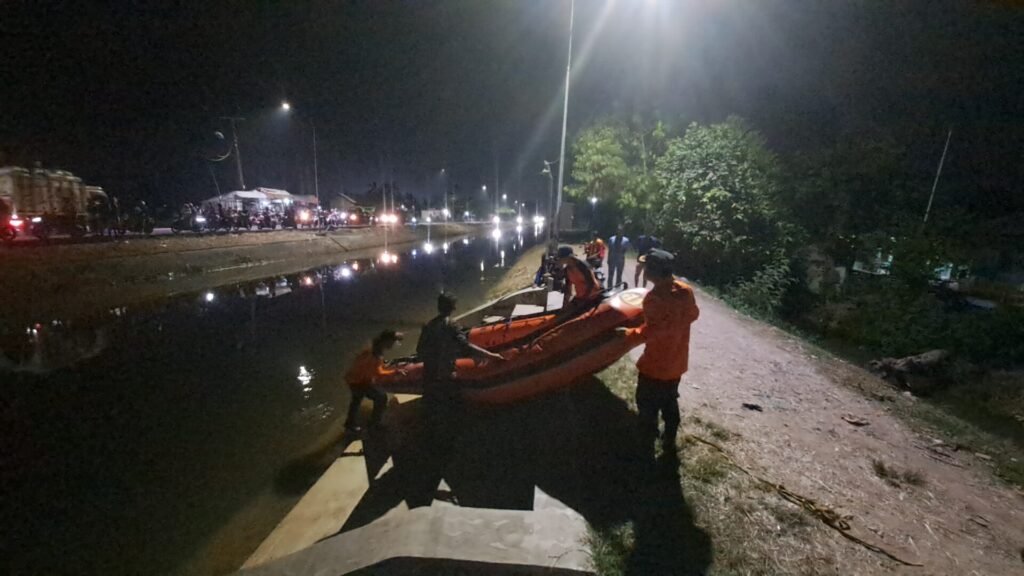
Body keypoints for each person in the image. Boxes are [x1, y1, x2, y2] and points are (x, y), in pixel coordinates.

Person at [620, 249, 700, 454]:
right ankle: (669, 438)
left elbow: (651, 332)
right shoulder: (685, 291)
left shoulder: (654, 298)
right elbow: (693, 314)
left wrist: (627, 334)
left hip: (655, 366)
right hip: (677, 363)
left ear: (652, 272)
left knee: (647, 403)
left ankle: (646, 442)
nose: (643, 269)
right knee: (670, 400)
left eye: (646, 267)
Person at [343, 329, 405, 432]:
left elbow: (369, 366)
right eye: (393, 342)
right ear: (386, 341)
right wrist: (395, 372)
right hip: (359, 381)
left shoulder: (374, 347)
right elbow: (377, 373)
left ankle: (349, 424)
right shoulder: (374, 353)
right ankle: (374, 424)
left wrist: (382, 365)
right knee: (381, 397)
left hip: (353, 378)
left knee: (356, 401)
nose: (393, 345)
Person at [556, 245, 603, 312]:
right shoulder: (567, 270)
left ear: (569, 257)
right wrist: (564, 305)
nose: (559, 260)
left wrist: (584, 300)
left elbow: (591, 283)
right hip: (580, 297)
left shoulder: (582, 265)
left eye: (560, 258)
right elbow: (568, 290)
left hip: (592, 295)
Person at [606, 224, 631, 289]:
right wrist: (608, 259)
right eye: (618, 230)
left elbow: (626, 249)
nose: (620, 232)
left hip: (620, 260)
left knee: (619, 275)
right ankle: (609, 289)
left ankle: (617, 289)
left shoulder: (626, 240)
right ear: (616, 231)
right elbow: (609, 249)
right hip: (612, 259)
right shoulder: (611, 239)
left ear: (623, 231)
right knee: (610, 275)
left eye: (621, 231)